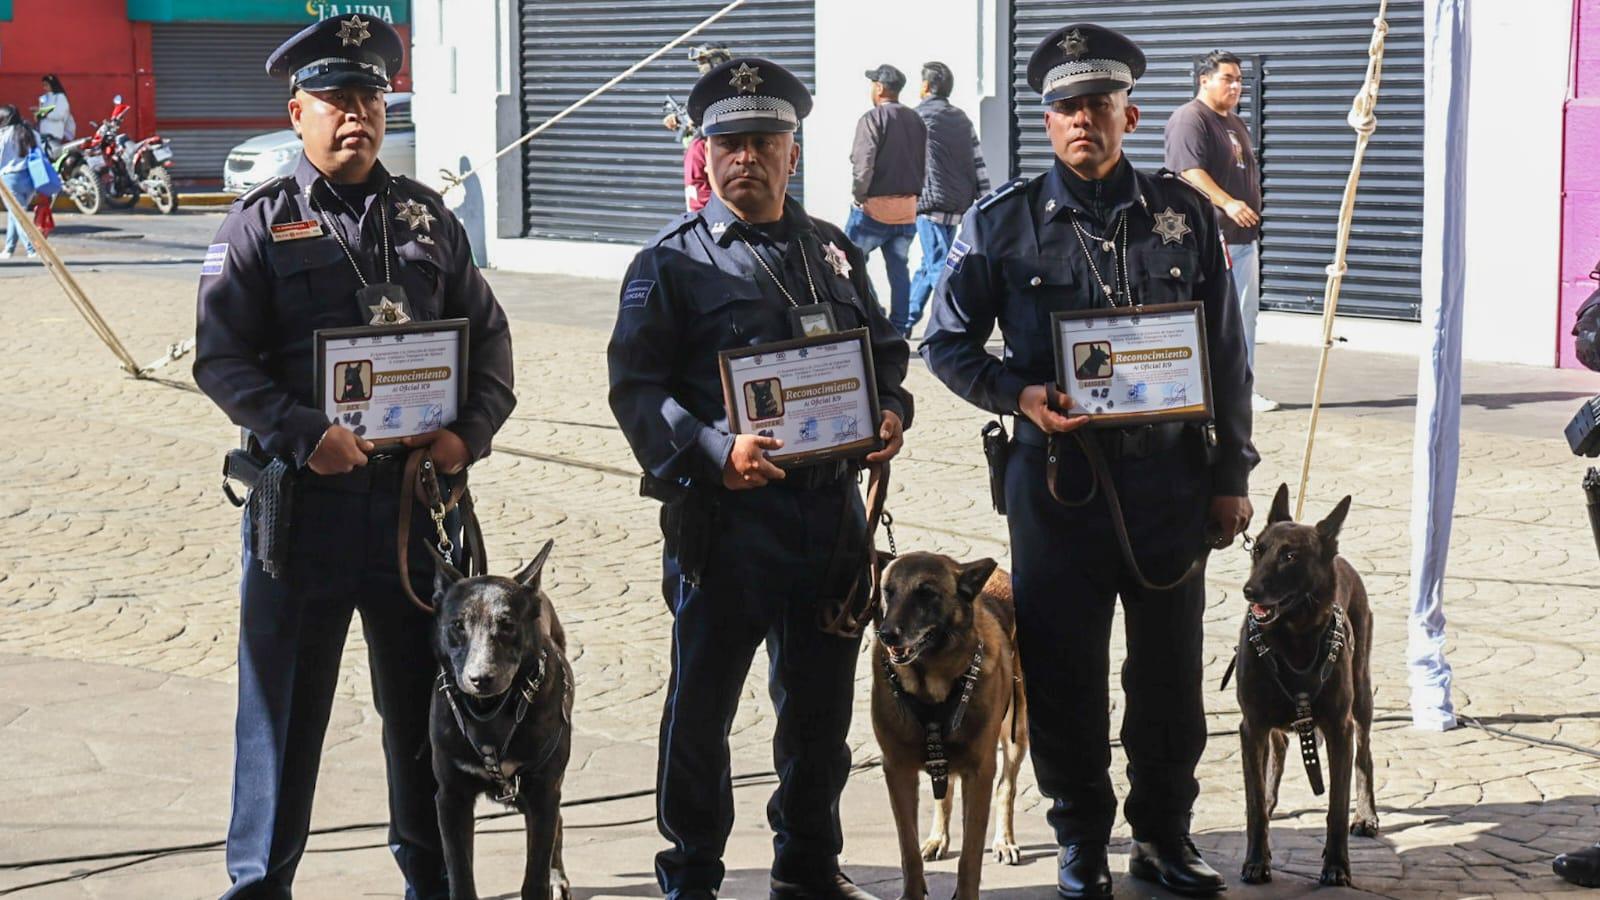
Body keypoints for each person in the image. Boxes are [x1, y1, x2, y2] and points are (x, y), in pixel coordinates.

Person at [921, 23, 1257, 898]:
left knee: (1170, 679)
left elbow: (1226, 354)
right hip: (1058, 487)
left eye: (1098, 106)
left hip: (1169, 485)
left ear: (1130, 115)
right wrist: (1016, 394)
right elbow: (945, 342)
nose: (1083, 121)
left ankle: (1164, 837)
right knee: (1065, 674)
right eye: (1067, 107)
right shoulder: (1002, 223)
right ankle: (1079, 839)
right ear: (1047, 122)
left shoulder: (1184, 216)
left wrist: (1232, 477)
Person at [191, 14, 516, 899]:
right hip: (305, 512)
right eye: (336, 99)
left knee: (424, 714)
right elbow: (219, 361)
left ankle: (437, 882)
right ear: (297, 112)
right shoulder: (258, 226)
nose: (356, 116)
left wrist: (468, 434)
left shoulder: (426, 219)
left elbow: (489, 342)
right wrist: (303, 432)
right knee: (281, 715)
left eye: (370, 97)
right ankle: (260, 885)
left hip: (420, 516)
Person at [608, 56, 913, 900]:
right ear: (705, 156)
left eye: (762, 142)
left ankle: (808, 867)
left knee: (819, 714)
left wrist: (890, 412)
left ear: (792, 152)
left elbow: (885, 352)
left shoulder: (832, 252)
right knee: (701, 714)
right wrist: (712, 449)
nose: (745, 158)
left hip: (829, 520)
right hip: (727, 521)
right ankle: (692, 874)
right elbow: (635, 390)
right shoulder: (668, 265)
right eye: (728, 144)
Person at [1164, 50, 1276, 412]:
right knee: (1220, 317)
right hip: (1214, 238)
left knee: (1244, 317)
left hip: (1243, 239)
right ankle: (1221, 395)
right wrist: (1227, 203)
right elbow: (1189, 171)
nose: (1236, 86)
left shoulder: (1235, 123)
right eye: (1228, 78)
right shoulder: (1190, 119)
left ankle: (1240, 390)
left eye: (1239, 79)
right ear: (1204, 80)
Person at [906, 60, 989, 338]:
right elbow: (978, 162)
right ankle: (905, 321)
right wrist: (985, 200)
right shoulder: (962, 118)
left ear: (927, 86)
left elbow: (904, 161)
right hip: (957, 205)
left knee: (940, 266)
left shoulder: (917, 118)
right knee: (928, 265)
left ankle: (954, 326)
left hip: (930, 204)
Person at [846, 64, 926, 330]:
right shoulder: (916, 119)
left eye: (873, 84)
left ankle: (874, 315)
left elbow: (863, 163)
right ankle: (900, 326)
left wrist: (859, 196)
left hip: (873, 209)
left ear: (879, 88)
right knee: (899, 270)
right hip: (907, 209)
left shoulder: (872, 118)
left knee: (847, 263)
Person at [664, 43, 733, 212]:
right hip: (699, 155)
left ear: (716, 61)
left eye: (703, 61)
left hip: (716, 151)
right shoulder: (704, 88)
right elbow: (693, 113)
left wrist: (701, 130)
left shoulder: (731, 87)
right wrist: (677, 120)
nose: (700, 67)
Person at [0, 105, 39, 259]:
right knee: (15, 213)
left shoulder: (4, 134)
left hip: (10, 179)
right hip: (30, 179)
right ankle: (9, 249)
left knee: (18, 215)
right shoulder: (30, 132)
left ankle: (32, 249)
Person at [35, 74, 75, 155]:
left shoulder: (60, 97)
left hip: (54, 134)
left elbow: (60, 114)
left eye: (46, 85)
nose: (44, 88)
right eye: (43, 85)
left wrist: (46, 114)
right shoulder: (44, 98)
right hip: (43, 135)